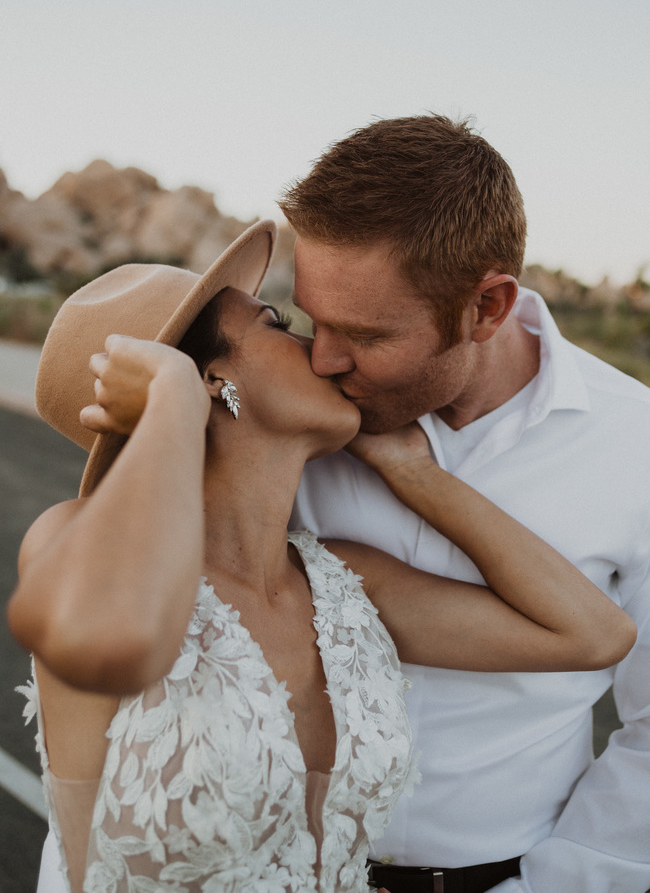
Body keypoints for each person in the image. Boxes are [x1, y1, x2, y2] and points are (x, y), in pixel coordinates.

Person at [8, 223, 634, 893]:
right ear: (214, 380)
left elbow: (594, 632)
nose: (322, 351)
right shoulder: (71, 540)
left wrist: (417, 475)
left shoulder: (340, 579)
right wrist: (174, 403)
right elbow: (115, 641)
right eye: (278, 324)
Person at [279, 114, 650, 893]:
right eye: (313, 318)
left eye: (364, 334)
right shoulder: (290, 418)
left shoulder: (636, 445)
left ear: (487, 306)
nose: (322, 357)